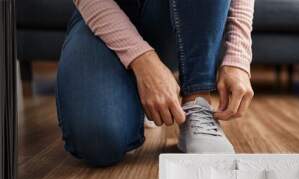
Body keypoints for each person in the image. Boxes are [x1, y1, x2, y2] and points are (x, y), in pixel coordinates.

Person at [56, 0, 255, 166]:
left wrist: (238, 57)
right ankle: (135, 92)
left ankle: (196, 103)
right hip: (102, 16)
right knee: (98, 141)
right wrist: (142, 60)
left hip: (174, 16)